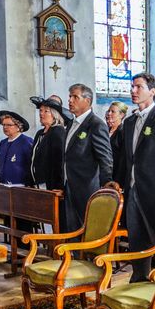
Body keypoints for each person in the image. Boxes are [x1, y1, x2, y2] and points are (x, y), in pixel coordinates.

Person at [116, 73, 155, 283]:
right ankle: (139, 279)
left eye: (139, 87)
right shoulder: (129, 122)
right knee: (136, 238)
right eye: (132, 87)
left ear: (152, 92)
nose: (133, 91)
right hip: (133, 190)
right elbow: (126, 160)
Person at [63, 83, 113, 233]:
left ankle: (88, 257)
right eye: (70, 96)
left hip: (87, 187)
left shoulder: (96, 125)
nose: (70, 100)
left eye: (75, 97)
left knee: (88, 229)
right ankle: (73, 256)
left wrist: (106, 183)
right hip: (70, 184)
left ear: (87, 100)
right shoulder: (71, 123)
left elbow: (105, 157)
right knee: (72, 228)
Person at [29, 97, 66, 190]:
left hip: (51, 186)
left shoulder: (58, 131)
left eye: (46, 111)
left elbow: (60, 162)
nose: (41, 114)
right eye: (41, 111)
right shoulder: (39, 133)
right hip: (37, 184)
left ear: (54, 114)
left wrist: (59, 186)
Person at [0, 111, 33, 185]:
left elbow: (32, 166)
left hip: (21, 188)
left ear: (18, 127)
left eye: (9, 125)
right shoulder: (3, 143)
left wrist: (28, 184)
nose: (5, 127)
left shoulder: (27, 142)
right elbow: (0, 165)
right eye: (4, 125)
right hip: (3, 187)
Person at [105, 101, 128, 186]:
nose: (109, 113)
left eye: (113, 111)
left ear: (121, 115)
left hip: (115, 176)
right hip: (104, 174)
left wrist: (118, 181)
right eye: (108, 111)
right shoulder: (105, 130)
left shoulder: (123, 132)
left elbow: (123, 160)